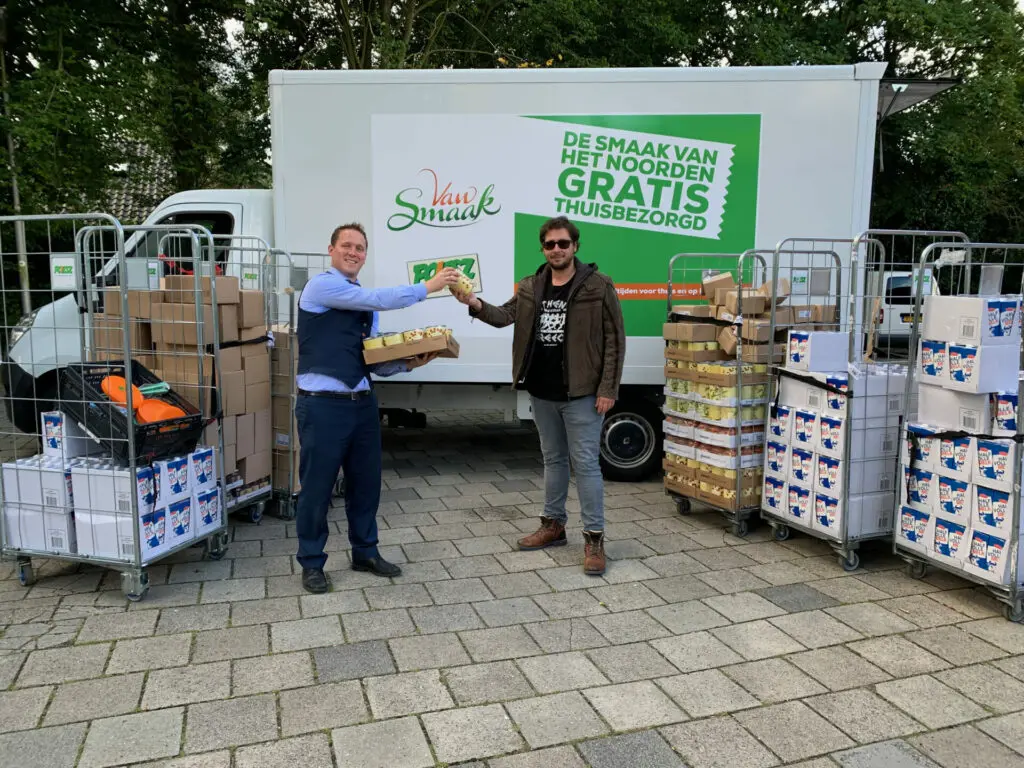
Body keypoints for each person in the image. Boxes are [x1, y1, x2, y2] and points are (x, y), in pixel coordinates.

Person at [454, 216, 625, 575]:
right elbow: (504, 316)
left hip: (582, 393)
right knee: (553, 460)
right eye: (550, 244)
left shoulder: (598, 285)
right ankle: (553, 525)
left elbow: (614, 340)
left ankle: (594, 538)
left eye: (563, 243)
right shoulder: (531, 286)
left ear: (575, 246)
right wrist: (473, 302)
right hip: (542, 391)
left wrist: (608, 388)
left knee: (586, 465)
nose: (557, 249)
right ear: (543, 248)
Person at [294, 222, 460, 594]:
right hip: (322, 406)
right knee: (317, 488)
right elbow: (380, 298)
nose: (353, 252)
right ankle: (311, 562)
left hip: (362, 403)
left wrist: (408, 363)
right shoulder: (322, 286)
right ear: (331, 250)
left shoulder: (366, 307)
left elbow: (372, 360)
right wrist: (427, 287)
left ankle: (365, 552)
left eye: (360, 248)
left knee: (366, 484)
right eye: (347, 245)